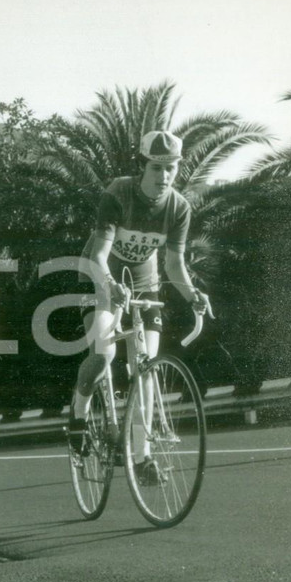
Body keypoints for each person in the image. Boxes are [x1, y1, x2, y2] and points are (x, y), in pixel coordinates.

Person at [70, 130, 211, 484]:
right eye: (156, 169)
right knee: (103, 355)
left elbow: (174, 265)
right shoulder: (118, 193)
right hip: (102, 273)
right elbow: (100, 255)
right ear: (141, 168)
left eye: (171, 169)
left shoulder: (179, 207)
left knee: (144, 365)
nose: (164, 177)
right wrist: (111, 286)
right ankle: (78, 414)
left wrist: (192, 293)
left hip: (143, 280)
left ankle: (142, 456)